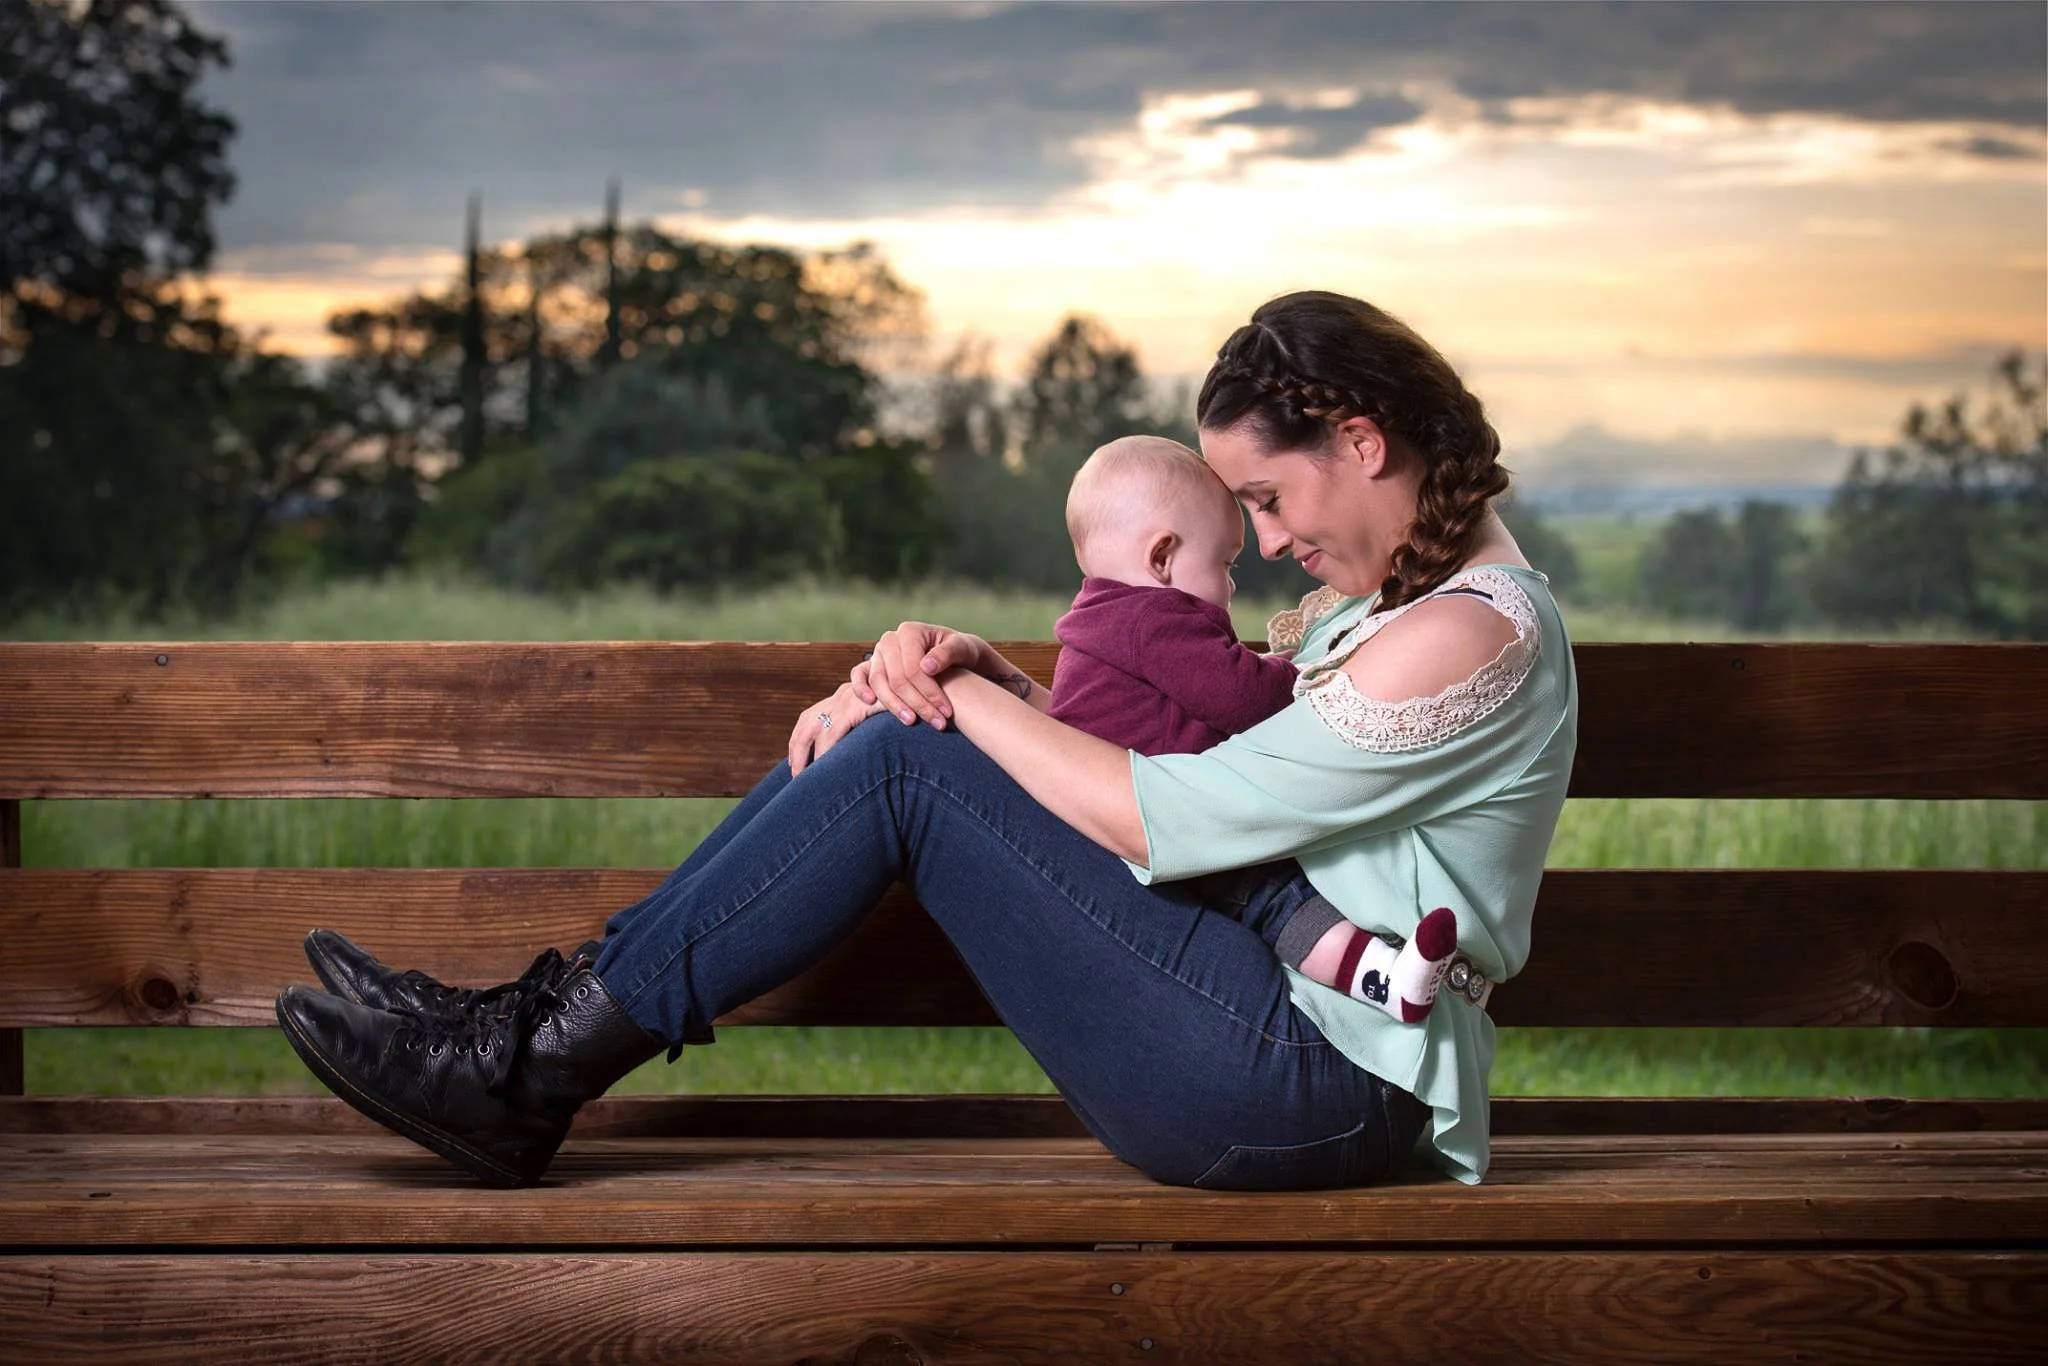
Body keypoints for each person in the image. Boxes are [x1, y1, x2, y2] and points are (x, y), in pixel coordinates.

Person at [276, 288, 1579, 1193]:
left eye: (1268, 499)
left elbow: (1170, 815)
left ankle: (524, 1065)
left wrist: (954, 705)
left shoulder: (1465, 637)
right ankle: (527, 1036)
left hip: (1310, 1080)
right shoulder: (1387, 608)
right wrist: (979, 676)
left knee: (908, 750)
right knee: (913, 732)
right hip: (1263, 1019)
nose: (1274, 541)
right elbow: (1175, 759)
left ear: (1360, 439)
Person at [1045, 432, 1462, 1023]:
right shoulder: (1154, 619)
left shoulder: (1104, 618)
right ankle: (1385, 980)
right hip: (1163, 836)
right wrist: (1304, 677)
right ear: (1162, 558)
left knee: (1268, 893)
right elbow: (1240, 698)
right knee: (1274, 894)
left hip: (1125, 829)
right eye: (1224, 564)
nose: (1231, 586)